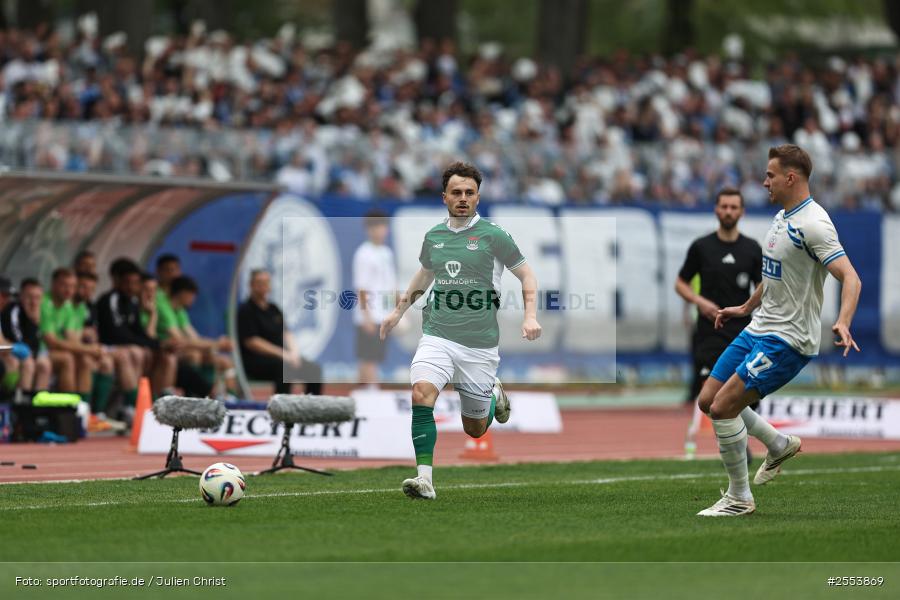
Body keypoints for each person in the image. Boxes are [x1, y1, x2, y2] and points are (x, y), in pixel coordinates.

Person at [697, 144, 862, 517]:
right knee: (708, 400)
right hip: (758, 327)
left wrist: (844, 320)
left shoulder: (815, 225)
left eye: (770, 175)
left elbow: (851, 278)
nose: (764, 181)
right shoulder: (782, 216)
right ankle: (778, 442)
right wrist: (745, 307)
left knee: (724, 408)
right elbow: (774, 276)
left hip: (788, 340)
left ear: (791, 177)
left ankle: (740, 498)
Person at [380, 161, 542, 500]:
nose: (463, 198)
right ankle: (424, 479)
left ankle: (494, 394)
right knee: (421, 392)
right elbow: (424, 276)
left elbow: (527, 275)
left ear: (478, 198)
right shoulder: (434, 237)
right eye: (457, 192)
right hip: (437, 334)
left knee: (475, 429)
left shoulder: (494, 235)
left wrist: (530, 316)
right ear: (444, 197)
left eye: (470, 193)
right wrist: (398, 312)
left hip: (479, 346)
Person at [675, 188, 762, 460]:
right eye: (724, 206)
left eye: (734, 207)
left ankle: (741, 443)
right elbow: (680, 283)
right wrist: (700, 302)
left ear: (742, 211)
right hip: (709, 334)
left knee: (748, 395)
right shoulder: (701, 247)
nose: (728, 211)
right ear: (716, 209)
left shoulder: (752, 249)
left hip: (743, 333)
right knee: (710, 398)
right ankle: (737, 447)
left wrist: (750, 308)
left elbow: (764, 287)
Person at [237, 269, 323, 397]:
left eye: (266, 282)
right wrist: (282, 354)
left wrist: (294, 354)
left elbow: (286, 333)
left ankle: (311, 407)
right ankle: (282, 409)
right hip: (255, 360)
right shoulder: (246, 310)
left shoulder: (274, 309)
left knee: (314, 370)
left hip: (283, 357)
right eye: (259, 282)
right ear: (251, 285)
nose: (264, 286)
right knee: (284, 368)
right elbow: (252, 342)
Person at [162, 275, 237, 398]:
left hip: (179, 352)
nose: (193, 299)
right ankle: (198, 395)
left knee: (221, 359)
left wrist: (214, 345)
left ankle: (230, 397)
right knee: (194, 355)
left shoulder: (180, 311)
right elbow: (181, 341)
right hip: (168, 353)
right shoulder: (165, 308)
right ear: (183, 293)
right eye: (192, 295)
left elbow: (194, 337)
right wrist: (217, 344)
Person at [352, 209, 397, 386]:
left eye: (383, 226)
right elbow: (361, 288)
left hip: (384, 314)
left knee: (375, 357)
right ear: (368, 230)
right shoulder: (363, 254)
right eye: (376, 226)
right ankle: (370, 394)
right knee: (367, 358)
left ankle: (364, 395)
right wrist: (366, 317)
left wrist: (399, 311)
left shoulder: (387, 253)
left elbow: (391, 286)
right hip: (369, 315)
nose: (381, 230)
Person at [0, 278, 51, 397]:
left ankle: (36, 405)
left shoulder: (39, 311)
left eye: (8, 296)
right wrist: (15, 348)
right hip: (8, 354)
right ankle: (17, 404)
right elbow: (4, 345)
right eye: (2, 295)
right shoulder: (12, 310)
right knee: (21, 362)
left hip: (9, 351)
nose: (6, 299)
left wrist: (33, 322)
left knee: (44, 364)